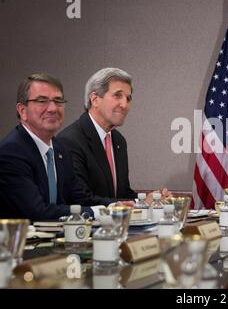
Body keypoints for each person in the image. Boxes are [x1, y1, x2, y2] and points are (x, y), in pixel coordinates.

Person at [0, 73, 127, 221]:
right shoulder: (11, 153)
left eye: (58, 101)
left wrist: (113, 205)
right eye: (42, 101)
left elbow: (78, 198)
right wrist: (97, 213)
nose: (53, 108)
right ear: (23, 111)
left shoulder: (60, 149)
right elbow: (37, 212)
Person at [57, 68, 170, 202]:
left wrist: (152, 199)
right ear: (95, 99)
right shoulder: (70, 140)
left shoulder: (118, 140)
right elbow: (81, 199)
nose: (124, 105)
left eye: (128, 98)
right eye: (118, 95)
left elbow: (122, 195)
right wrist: (138, 203)